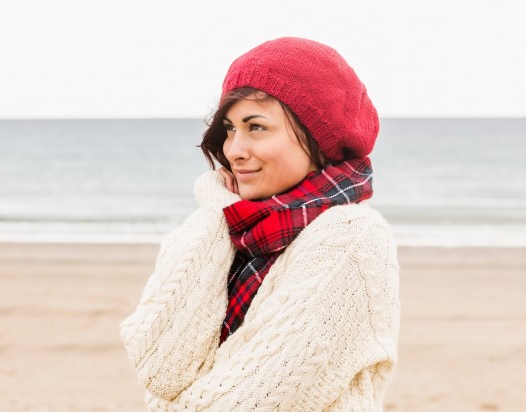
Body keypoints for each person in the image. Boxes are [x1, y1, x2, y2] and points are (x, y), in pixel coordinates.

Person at [120, 37, 400, 411]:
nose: (234, 150)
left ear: (317, 136)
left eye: (257, 127)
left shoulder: (351, 237)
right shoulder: (219, 225)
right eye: (230, 129)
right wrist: (219, 213)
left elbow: (252, 401)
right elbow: (159, 370)